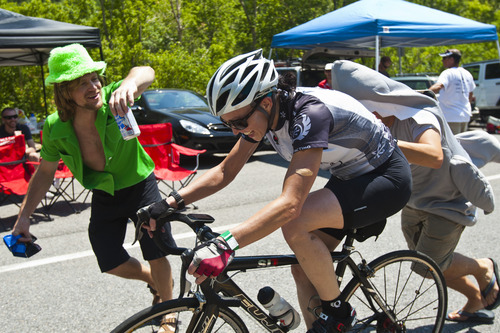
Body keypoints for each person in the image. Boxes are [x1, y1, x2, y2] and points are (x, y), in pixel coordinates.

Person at [145, 49, 412, 332]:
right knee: (303, 268)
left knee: (296, 222)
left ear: (268, 103)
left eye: (239, 122)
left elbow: (290, 204)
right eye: (228, 124)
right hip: (349, 176)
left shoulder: (310, 115)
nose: (236, 131)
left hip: (386, 178)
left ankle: (340, 313)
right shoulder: (263, 117)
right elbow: (226, 170)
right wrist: (170, 202)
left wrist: (225, 244)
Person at [11, 43, 177, 332]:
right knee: (109, 260)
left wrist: (128, 83)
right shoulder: (53, 127)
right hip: (104, 192)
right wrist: (24, 216)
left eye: (94, 78)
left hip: (140, 185)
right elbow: (45, 172)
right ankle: (153, 279)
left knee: (156, 251)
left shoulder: (115, 97)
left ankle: (169, 311)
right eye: (81, 83)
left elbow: (146, 72)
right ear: (64, 92)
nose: (93, 86)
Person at [331, 60, 500, 324]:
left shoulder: (418, 114)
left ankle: (483, 267)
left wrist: (379, 139)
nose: (365, 119)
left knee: (425, 266)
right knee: (431, 265)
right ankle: (476, 300)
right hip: (412, 202)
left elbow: (433, 155)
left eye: (367, 110)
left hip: (448, 203)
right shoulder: (371, 126)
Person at [429, 49, 476, 134]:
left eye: (444, 58)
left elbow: (439, 85)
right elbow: (470, 93)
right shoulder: (467, 73)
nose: (442, 61)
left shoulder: (447, 73)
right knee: (461, 143)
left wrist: (425, 93)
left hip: (451, 116)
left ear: (451, 59)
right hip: (465, 115)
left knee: (451, 145)